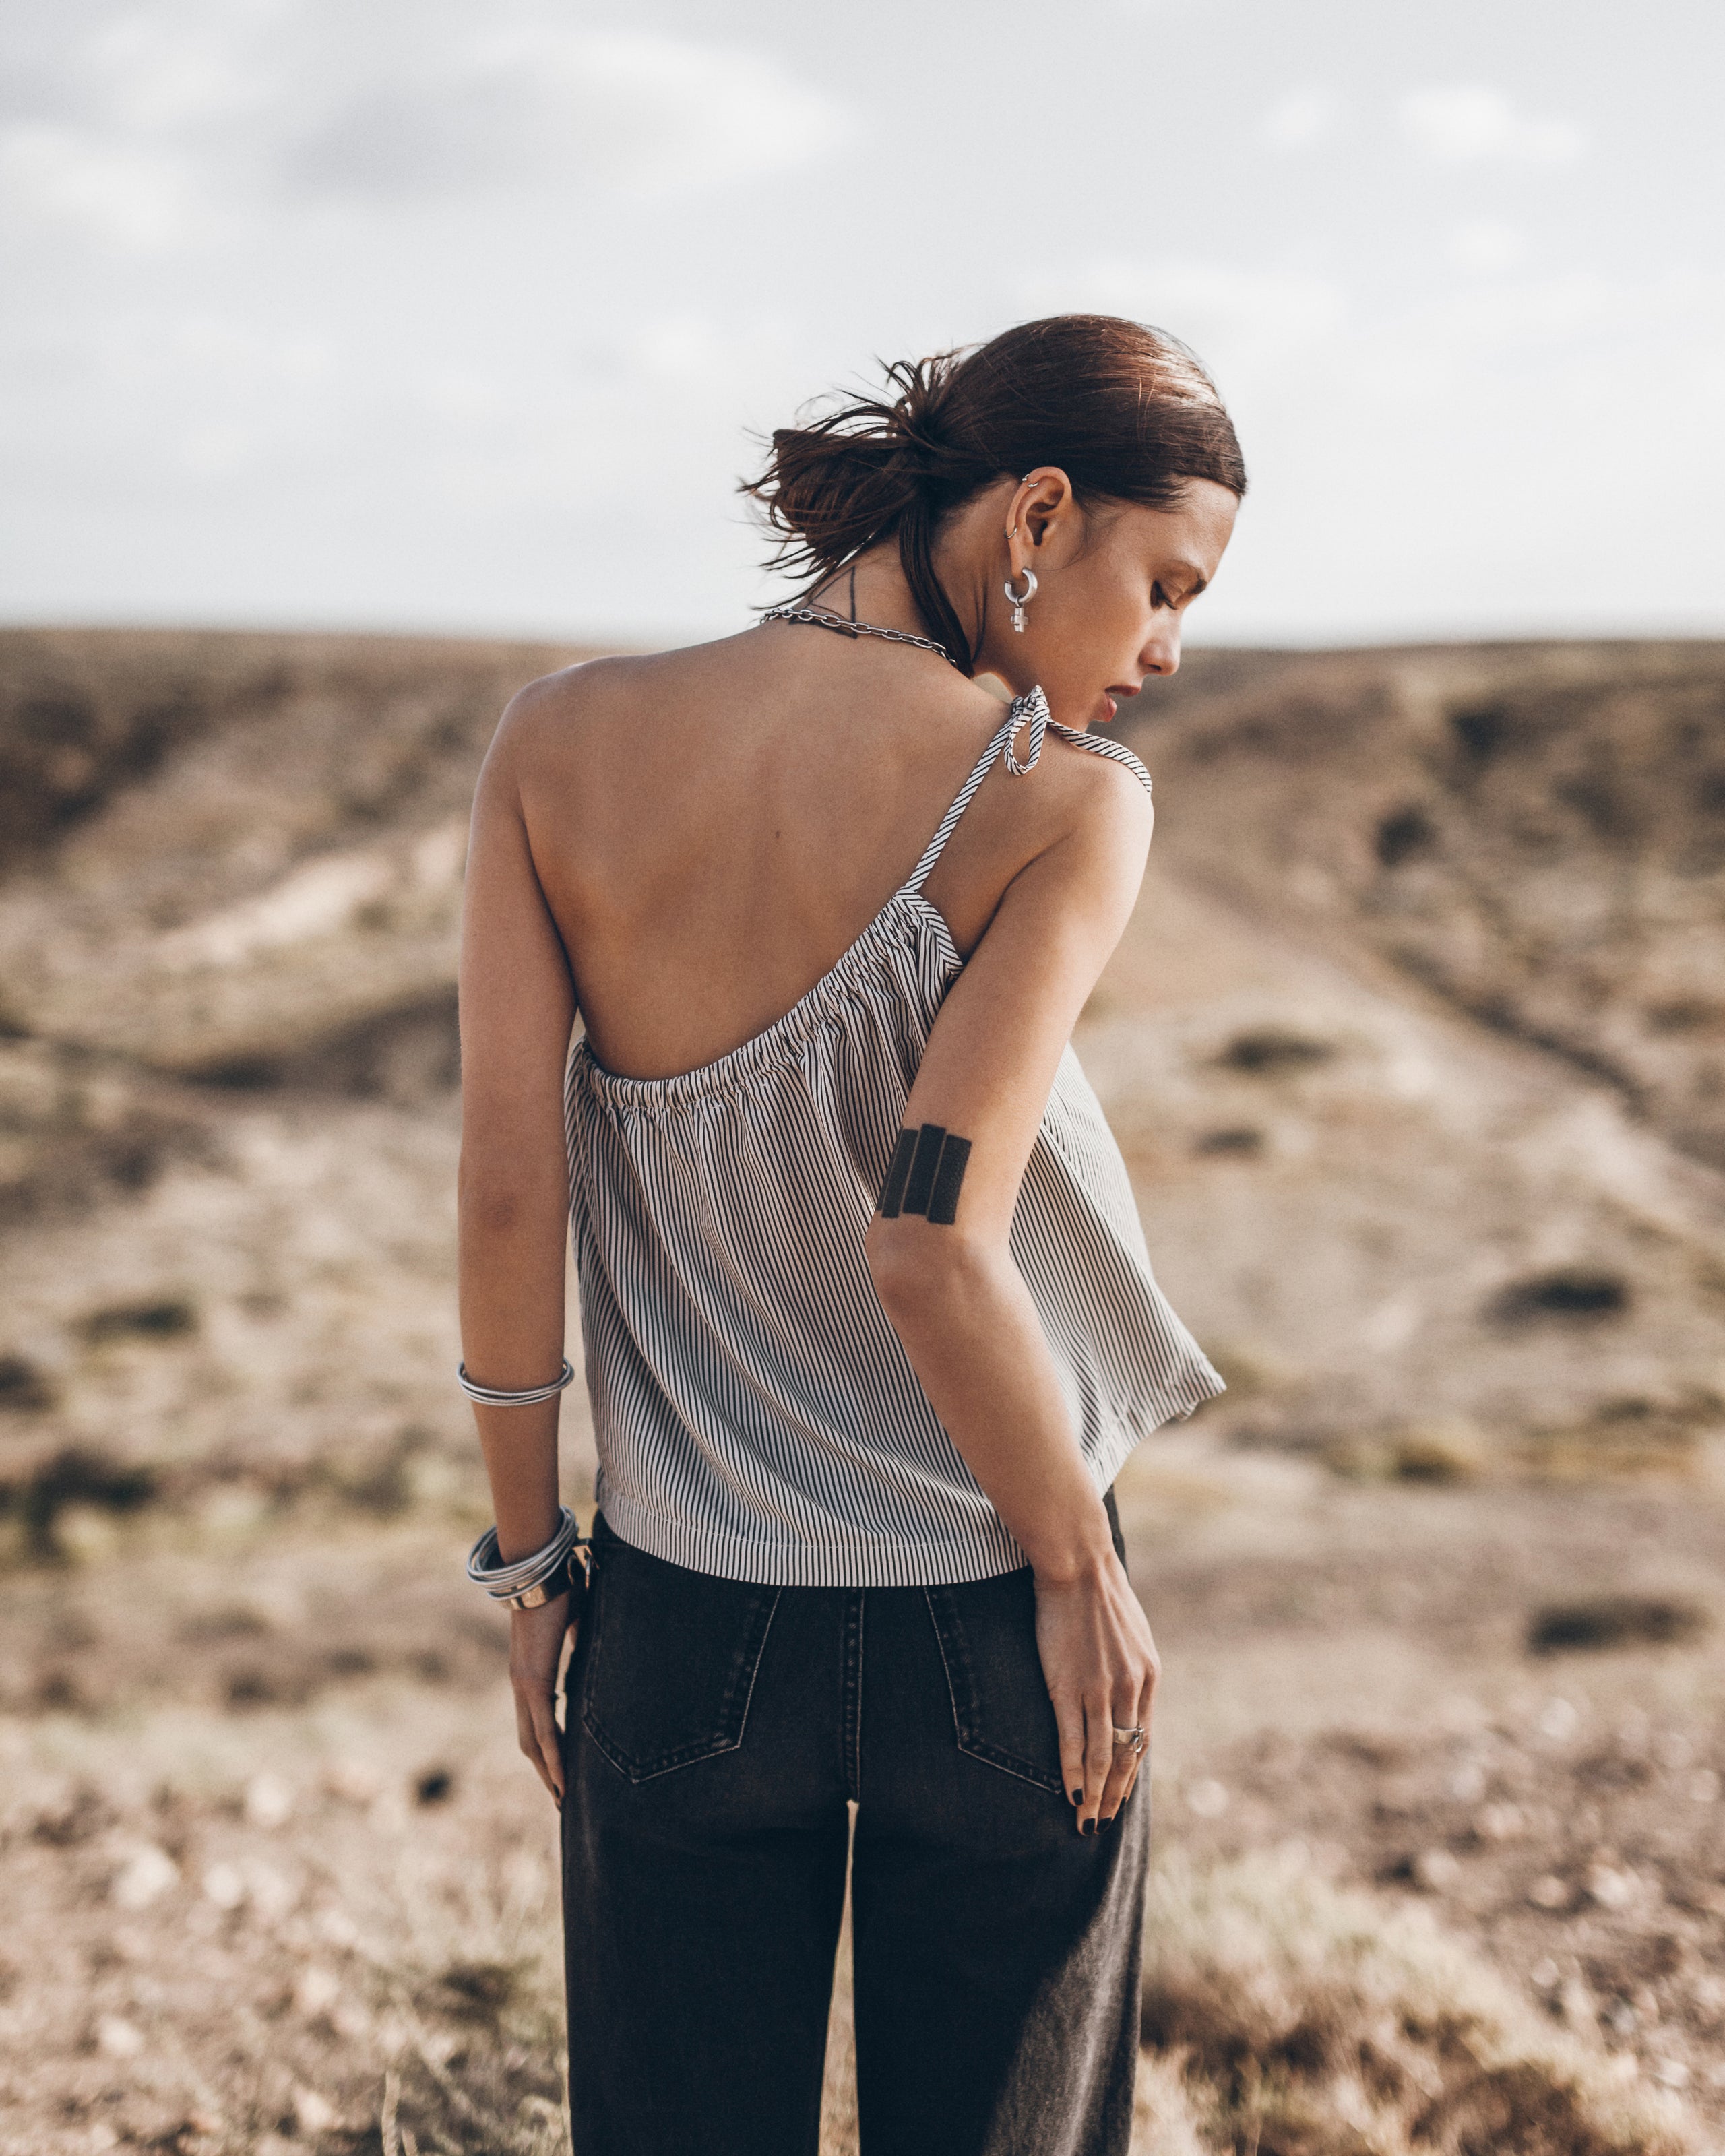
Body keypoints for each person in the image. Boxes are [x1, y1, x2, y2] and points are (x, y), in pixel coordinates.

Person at [456, 313, 1245, 2156]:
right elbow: (930, 1243)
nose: (1169, 651)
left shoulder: (558, 743)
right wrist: (1073, 1569)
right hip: (990, 1621)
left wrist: (528, 1564)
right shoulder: (1060, 801)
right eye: (1164, 585)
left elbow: (509, 1182)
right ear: (1041, 512)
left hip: (681, 1615)